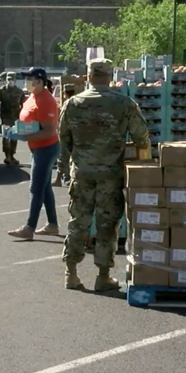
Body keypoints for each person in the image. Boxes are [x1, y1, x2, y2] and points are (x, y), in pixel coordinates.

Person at [59, 58, 151, 291]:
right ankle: (103, 275)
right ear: (110, 77)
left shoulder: (73, 104)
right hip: (111, 173)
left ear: (89, 76)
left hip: (82, 172)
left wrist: (78, 157)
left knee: (78, 221)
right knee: (107, 224)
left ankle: (71, 273)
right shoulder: (123, 104)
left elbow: (64, 138)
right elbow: (142, 138)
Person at [3, 68, 61, 240]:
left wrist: (24, 136)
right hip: (37, 147)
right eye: (26, 78)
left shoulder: (46, 101)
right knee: (45, 187)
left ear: (40, 81)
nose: (27, 81)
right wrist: (15, 129)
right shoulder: (32, 97)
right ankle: (52, 225)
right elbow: (30, 120)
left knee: (35, 188)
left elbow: (49, 131)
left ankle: (29, 228)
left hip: (46, 148)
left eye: (31, 78)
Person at [0, 72, 24, 165]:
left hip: (16, 117)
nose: (10, 81)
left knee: (14, 137)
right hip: (5, 117)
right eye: (9, 79)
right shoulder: (1, 91)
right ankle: (7, 156)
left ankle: (12, 155)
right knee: (6, 136)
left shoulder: (19, 91)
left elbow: (23, 104)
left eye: (12, 79)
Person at [52, 83, 77, 187]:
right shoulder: (78, 102)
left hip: (66, 134)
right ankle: (69, 178)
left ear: (65, 93)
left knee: (62, 156)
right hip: (76, 133)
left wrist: (59, 134)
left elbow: (62, 122)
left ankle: (59, 179)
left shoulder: (67, 104)